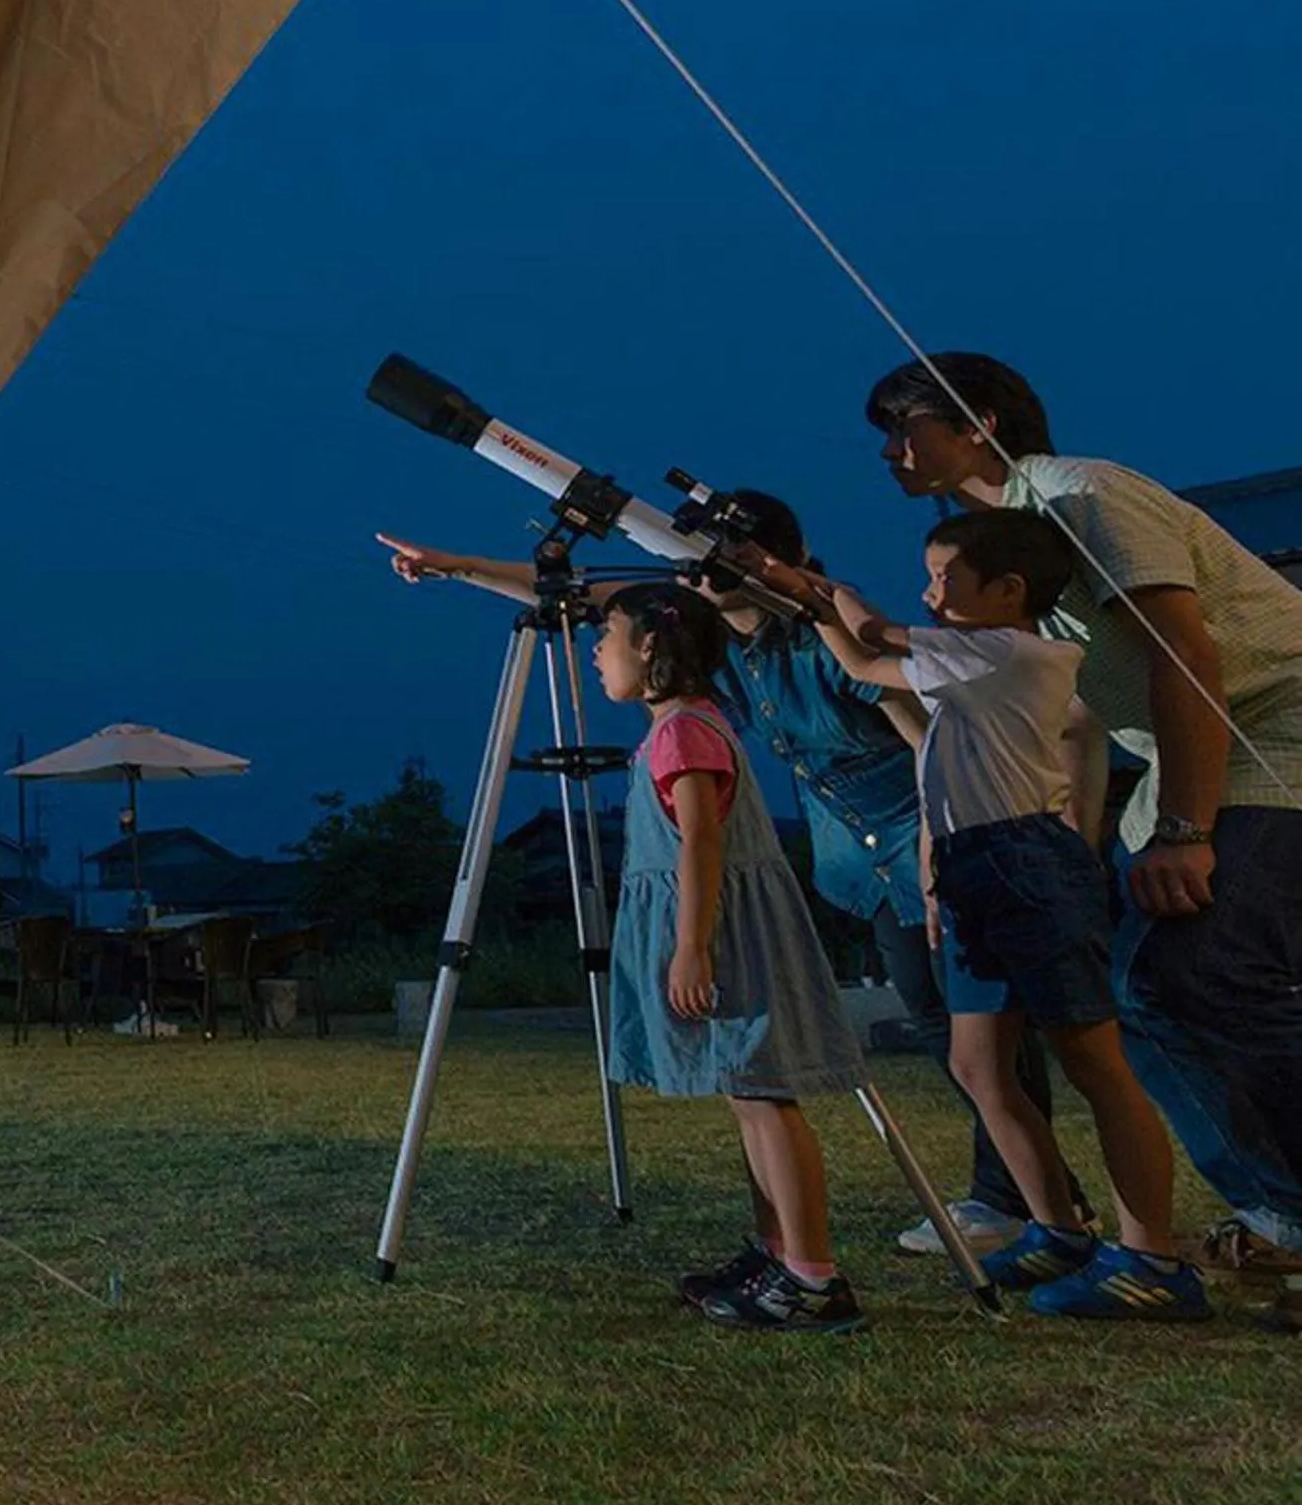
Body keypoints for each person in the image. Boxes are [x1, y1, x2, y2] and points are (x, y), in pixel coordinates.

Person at [379, 504, 1086, 1256]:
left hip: (919, 838)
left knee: (986, 1039)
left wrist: (935, 847)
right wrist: (459, 566)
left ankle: (1026, 1204)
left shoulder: (818, 644)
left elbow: (926, 743)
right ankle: (1022, 1200)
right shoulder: (713, 644)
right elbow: (585, 594)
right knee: (942, 1026)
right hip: (855, 855)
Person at [865, 353, 1302, 1275]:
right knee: (1137, 991)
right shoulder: (1016, 545)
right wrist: (1082, 834)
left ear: (978, 423)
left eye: (905, 426)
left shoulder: (1085, 495)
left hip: (1275, 723)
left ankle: (1288, 1210)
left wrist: (1184, 833)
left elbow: (1183, 656)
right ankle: (1275, 1212)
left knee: (1202, 968)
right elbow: (1076, 718)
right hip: (1185, 754)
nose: (890, 450)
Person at [764, 511, 1207, 1319]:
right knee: (977, 1065)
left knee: (1094, 1062)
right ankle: (1058, 1228)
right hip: (974, 862)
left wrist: (819, 589)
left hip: (1026, 861)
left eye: (946, 579)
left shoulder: (1007, 652)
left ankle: (1153, 1258)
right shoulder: (971, 658)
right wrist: (812, 606)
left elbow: (869, 637)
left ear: (1008, 590)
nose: (931, 594)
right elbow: (860, 660)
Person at [591, 584, 871, 1332]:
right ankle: (777, 1251)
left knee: (764, 1091)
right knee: (748, 1093)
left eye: (607, 636)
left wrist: (691, 946)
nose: (596, 653)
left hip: (725, 932)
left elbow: (701, 841)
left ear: (650, 644)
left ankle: (813, 1276)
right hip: (717, 927)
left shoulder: (686, 731)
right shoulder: (678, 727)